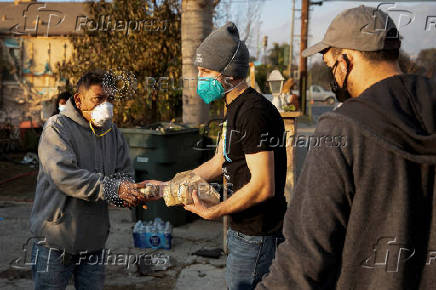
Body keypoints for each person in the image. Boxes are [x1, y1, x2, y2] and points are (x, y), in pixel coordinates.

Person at [257, 5, 436, 289]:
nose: (333, 78)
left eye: (330, 67)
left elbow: (302, 260)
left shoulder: (341, 129)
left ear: (347, 61)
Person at [147, 22, 287, 290]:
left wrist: (214, 212)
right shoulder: (233, 107)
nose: (200, 79)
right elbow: (219, 161)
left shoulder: (254, 113)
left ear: (229, 74)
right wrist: (169, 186)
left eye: (205, 72)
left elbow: (263, 186)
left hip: (257, 234)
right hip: (242, 230)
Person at [30, 71, 156, 289]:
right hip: (55, 241)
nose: (105, 106)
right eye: (99, 99)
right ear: (79, 99)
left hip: (93, 243)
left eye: (110, 100)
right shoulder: (57, 127)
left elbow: (123, 173)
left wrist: (129, 194)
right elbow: (65, 176)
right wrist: (115, 189)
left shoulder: (112, 132)